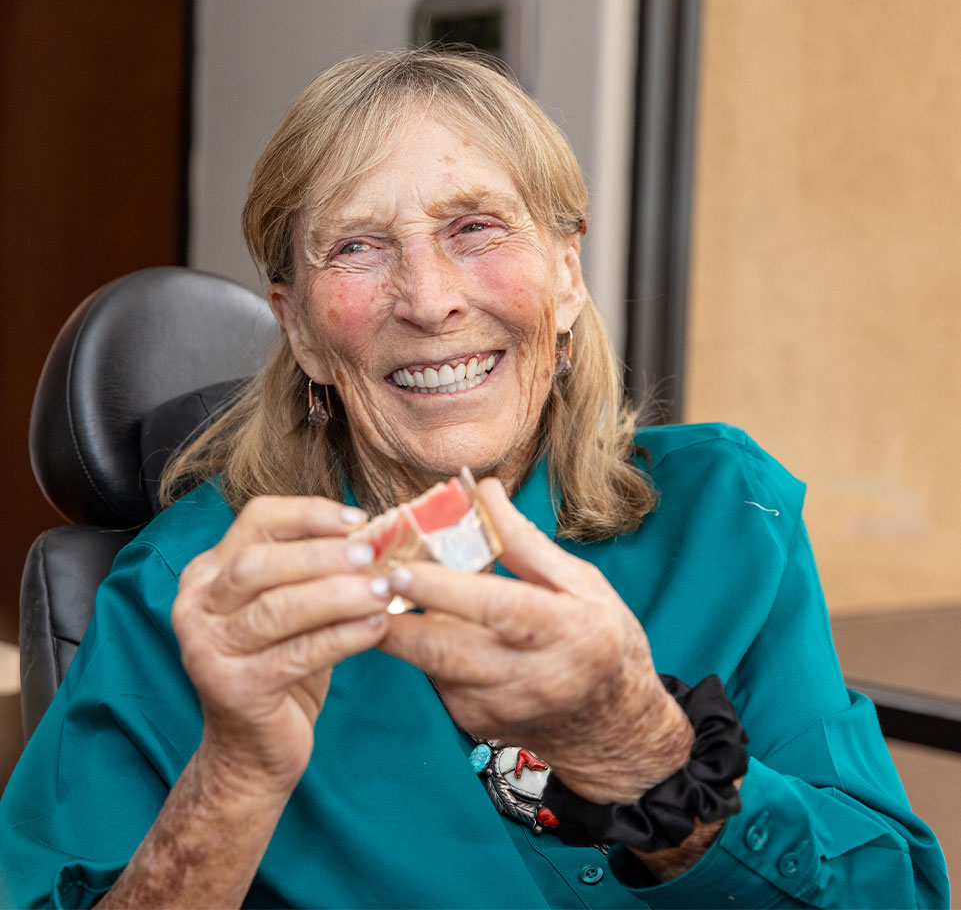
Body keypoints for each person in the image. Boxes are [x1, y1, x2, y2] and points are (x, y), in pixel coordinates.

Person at [0, 50, 949, 909]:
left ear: (566, 276)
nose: (430, 298)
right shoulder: (190, 587)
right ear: (298, 331)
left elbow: (890, 897)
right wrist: (237, 778)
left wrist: (644, 751)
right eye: (359, 247)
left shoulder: (725, 515)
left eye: (476, 228)